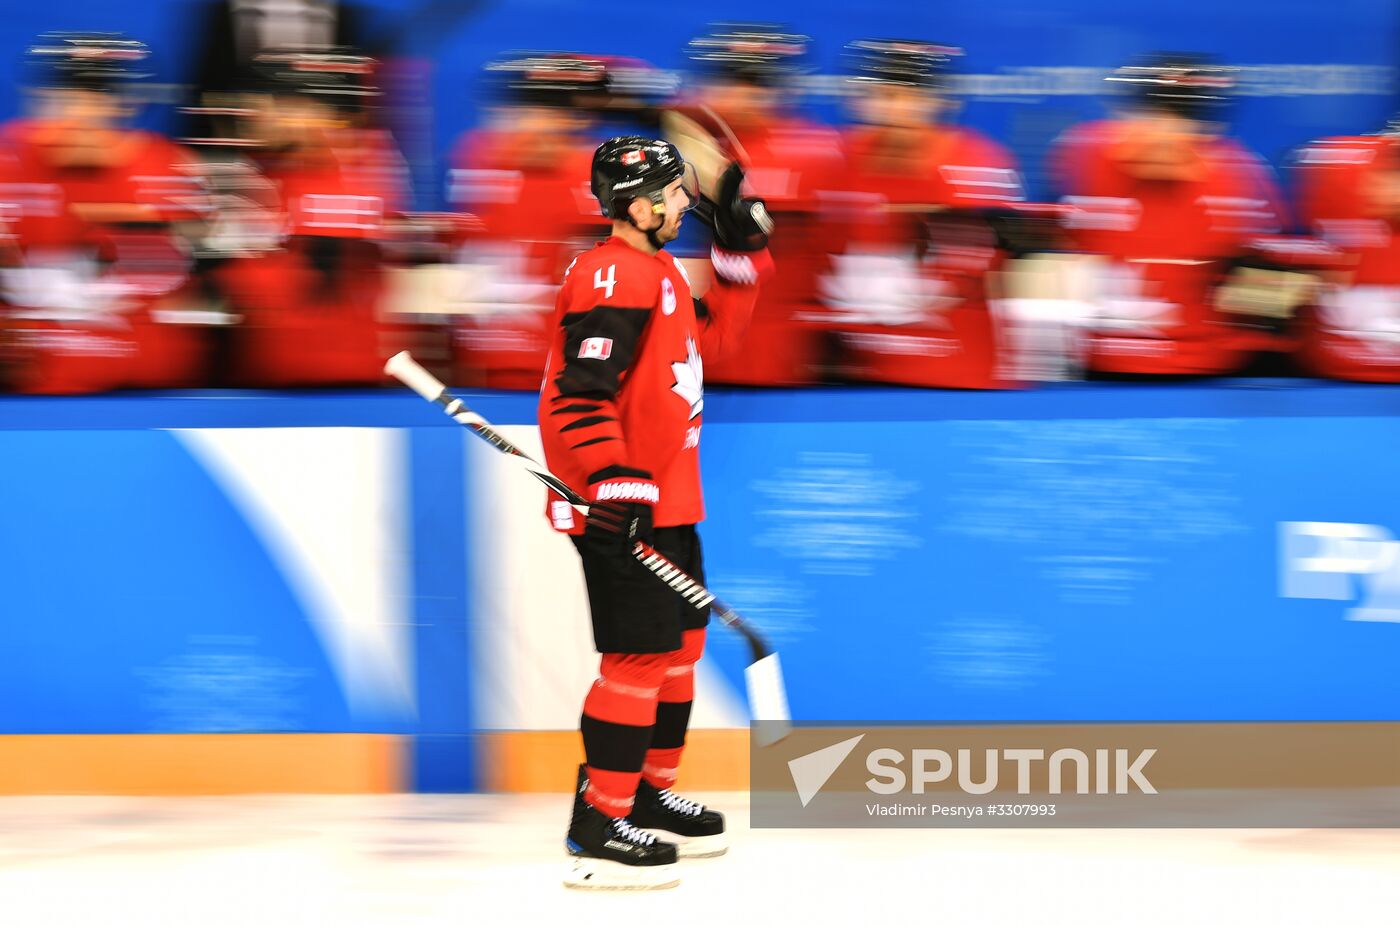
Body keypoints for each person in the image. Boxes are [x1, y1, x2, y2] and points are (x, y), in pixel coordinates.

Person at [536, 136, 772, 890]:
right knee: (637, 658)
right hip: (625, 501)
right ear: (639, 207)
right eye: (675, 195)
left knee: (678, 649)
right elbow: (577, 394)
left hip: (669, 495)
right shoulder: (613, 272)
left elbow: (716, 340)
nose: (685, 205)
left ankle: (645, 792)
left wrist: (740, 258)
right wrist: (612, 480)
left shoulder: (657, 268)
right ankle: (599, 825)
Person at [1049, 53, 1294, 376]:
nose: (1163, 132)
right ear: (1123, 116)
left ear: (1211, 130)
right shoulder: (1083, 157)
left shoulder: (1241, 179)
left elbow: (1274, 289)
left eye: (1182, 119)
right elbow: (1052, 245)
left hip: (1204, 374)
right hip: (1101, 370)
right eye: (1151, 115)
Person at [0, 32, 210, 394]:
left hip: (143, 381)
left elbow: (183, 285)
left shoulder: (163, 166)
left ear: (124, 106)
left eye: (96, 98)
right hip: (25, 384)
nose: (79, 113)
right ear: (38, 100)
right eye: (64, 98)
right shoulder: (8, 158)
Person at [816, 39, 1025, 388]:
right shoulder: (836, 158)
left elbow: (1003, 273)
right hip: (859, 373)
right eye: (886, 97)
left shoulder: (976, 164)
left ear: (942, 102)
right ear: (860, 100)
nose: (898, 111)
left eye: (914, 98)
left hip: (955, 377)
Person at [683, 22, 844, 385]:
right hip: (698, 348)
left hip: (783, 353)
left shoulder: (815, 150)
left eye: (760, 82)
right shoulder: (687, 148)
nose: (744, 94)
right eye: (731, 79)